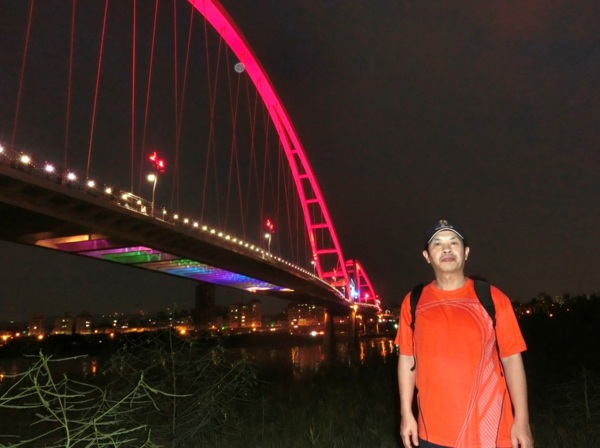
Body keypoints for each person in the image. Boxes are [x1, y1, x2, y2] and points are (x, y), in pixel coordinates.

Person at [395, 219, 533, 448]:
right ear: (427, 256)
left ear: (466, 252)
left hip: (489, 431)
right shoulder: (413, 302)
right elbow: (407, 359)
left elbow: (511, 359)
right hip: (431, 433)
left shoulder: (492, 298)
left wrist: (522, 420)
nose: (446, 249)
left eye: (454, 242)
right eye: (437, 244)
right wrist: (406, 414)